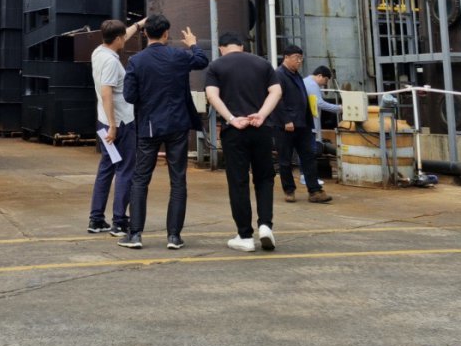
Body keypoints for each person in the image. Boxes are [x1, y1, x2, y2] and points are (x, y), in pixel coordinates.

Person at [118, 13, 209, 250]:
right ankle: (174, 237)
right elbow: (202, 61)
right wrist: (192, 43)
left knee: (140, 179)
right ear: (167, 34)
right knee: (178, 180)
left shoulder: (137, 61)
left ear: (145, 33)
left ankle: (135, 234)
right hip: (178, 124)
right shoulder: (179, 56)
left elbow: (129, 96)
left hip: (149, 126)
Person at [204, 32, 281, 252]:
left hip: (234, 131)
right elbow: (276, 91)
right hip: (261, 129)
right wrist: (262, 115)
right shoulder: (262, 64)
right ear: (242, 46)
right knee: (264, 178)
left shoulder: (216, 66)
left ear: (222, 48)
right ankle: (265, 225)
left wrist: (230, 118)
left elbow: (212, 96)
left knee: (238, 182)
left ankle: (245, 236)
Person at [87, 16, 145, 236]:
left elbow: (124, 34)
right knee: (125, 170)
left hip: (103, 121)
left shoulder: (98, 52)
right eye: (124, 38)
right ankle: (119, 221)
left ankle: (96, 219)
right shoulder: (112, 62)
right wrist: (114, 126)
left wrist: (139, 25)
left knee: (107, 168)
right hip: (119, 123)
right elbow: (106, 92)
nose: (126, 41)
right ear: (118, 39)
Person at [271, 45, 333, 204]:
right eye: (296, 58)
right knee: (285, 159)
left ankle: (315, 191)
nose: (299, 61)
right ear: (286, 57)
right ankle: (289, 190)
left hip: (303, 124)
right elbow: (277, 99)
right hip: (286, 125)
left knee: (308, 157)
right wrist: (286, 120)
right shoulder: (278, 75)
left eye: (301, 58)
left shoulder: (296, 75)